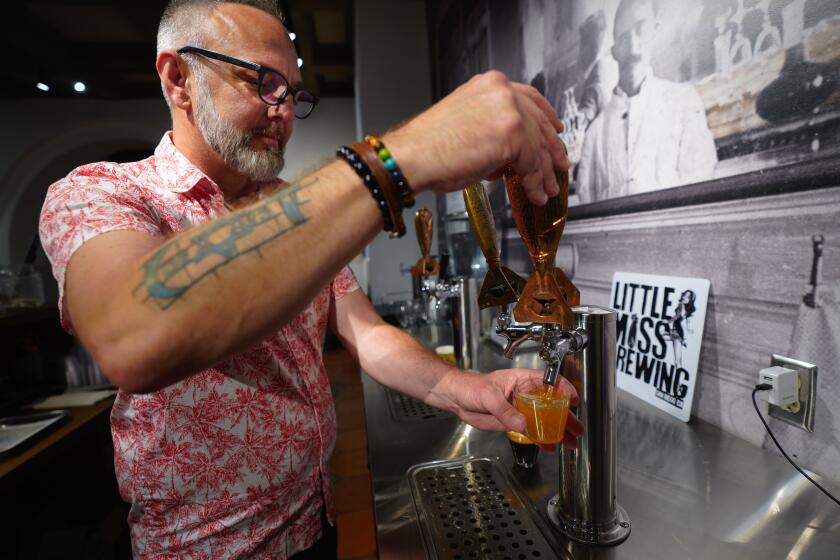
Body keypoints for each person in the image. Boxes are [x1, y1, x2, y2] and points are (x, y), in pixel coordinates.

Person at [37, 1, 578, 558]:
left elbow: (365, 331)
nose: (285, 113)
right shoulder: (102, 193)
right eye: (266, 84)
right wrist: (402, 156)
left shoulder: (282, 202)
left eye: (294, 95)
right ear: (179, 79)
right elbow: (134, 336)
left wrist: (466, 388)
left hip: (316, 519)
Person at [576, 0, 718, 204]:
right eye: (624, 38)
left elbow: (701, 193)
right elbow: (590, 213)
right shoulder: (595, 135)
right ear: (614, 51)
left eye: (641, 30)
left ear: (655, 33)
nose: (634, 49)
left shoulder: (684, 103)